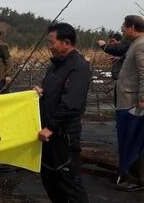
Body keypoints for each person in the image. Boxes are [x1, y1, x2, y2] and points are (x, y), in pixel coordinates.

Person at [35, 23, 89, 202]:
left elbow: (71, 103)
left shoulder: (78, 67)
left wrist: (50, 127)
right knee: (50, 180)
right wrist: (39, 92)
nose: (50, 47)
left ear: (66, 42)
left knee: (68, 185)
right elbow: (52, 92)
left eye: (52, 43)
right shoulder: (55, 66)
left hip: (63, 136)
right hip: (49, 136)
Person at [115, 15, 144, 191]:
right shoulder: (136, 44)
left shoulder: (141, 45)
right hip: (128, 100)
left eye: (124, 27)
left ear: (132, 27)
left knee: (133, 140)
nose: (123, 30)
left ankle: (135, 179)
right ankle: (130, 175)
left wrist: (142, 98)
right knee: (130, 139)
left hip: (133, 102)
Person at [97, 33, 130, 106]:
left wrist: (104, 46)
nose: (111, 43)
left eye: (113, 41)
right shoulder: (125, 51)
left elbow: (117, 50)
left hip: (124, 82)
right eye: (110, 42)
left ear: (119, 41)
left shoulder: (125, 46)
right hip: (119, 81)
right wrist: (119, 58)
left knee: (122, 104)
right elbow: (126, 56)